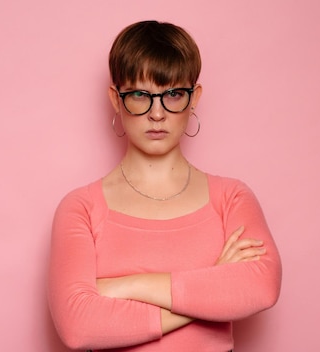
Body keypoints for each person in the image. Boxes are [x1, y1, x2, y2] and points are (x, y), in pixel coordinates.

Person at [47, 20, 282, 352]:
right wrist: (211, 286)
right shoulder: (81, 207)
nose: (157, 113)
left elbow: (262, 287)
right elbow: (78, 327)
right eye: (140, 95)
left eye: (173, 94)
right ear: (116, 99)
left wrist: (123, 286)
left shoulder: (231, 197)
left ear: (194, 97)